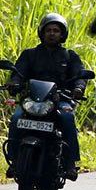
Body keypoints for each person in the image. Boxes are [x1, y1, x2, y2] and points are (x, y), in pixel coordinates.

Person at [5, 13, 85, 181]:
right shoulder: (29, 55)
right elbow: (19, 73)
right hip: (32, 101)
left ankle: (70, 164)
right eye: (48, 30)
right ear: (41, 33)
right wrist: (14, 83)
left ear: (62, 34)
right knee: (16, 117)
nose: (52, 33)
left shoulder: (70, 57)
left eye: (56, 30)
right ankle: (14, 161)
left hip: (60, 100)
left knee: (67, 117)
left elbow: (79, 76)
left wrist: (78, 88)